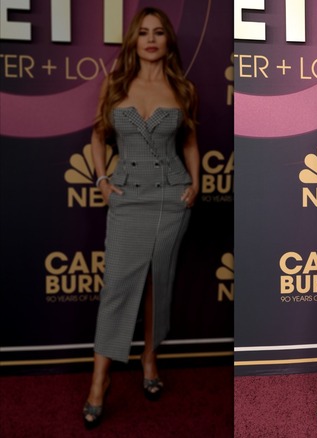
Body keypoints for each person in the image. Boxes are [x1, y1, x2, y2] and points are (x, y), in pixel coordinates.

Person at [82, 7, 199, 429]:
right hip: (128, 197)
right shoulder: (114, 84)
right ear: (134, 40)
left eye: (159, 33)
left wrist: (196, 184)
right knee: (117, 286)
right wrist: (101, 179)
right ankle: (100, 381)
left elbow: (190, 142)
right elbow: (98, 134)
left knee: (158, 281)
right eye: (144, 32)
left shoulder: (182, 88)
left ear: (168, 41)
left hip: (171, 197)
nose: (151, 39)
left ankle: (150, 358)